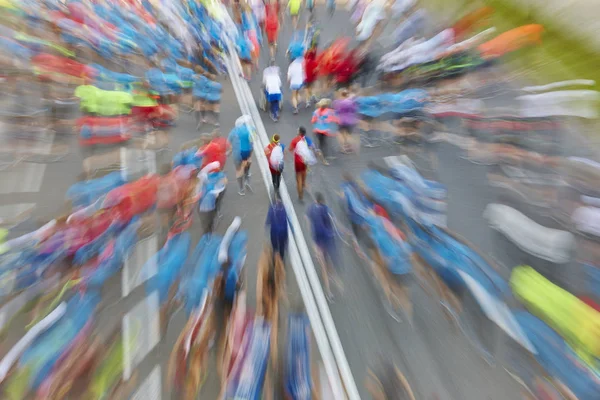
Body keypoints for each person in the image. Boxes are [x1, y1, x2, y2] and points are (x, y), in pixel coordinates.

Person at [306, 192, 340, 300]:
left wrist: (311, 230)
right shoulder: (326, 209)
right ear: (323, 201)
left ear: (316, 200)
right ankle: (331, 279)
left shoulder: (311, 208)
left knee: (323, 266)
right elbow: (333, 221)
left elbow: (306, 219)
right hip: (327, 240)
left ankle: (328, 292)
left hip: (318, 241)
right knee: (327, 263)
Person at [228, 117, 254, 195]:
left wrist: (230, 150)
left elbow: (228, 142)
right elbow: (252, 144)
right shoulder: (251, 130)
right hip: (247, 151)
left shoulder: (233, 131)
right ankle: (246, 178)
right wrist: (250, 155)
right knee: (247, 162)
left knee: (238, 170)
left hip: (237, 154)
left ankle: (241, 189)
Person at [289, 126, 315, 202]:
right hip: (305, 160)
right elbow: (311, 147)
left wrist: (294, 152)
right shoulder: (306, 139)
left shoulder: (295, 140)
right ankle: (304, 183)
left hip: (298, 161)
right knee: (304, 172)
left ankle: (300, 195)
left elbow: (290, 149)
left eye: (298, 130)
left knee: (298, 178)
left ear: (300, 132)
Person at [311, 99, 338, 165]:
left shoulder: (316, 111)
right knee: (324, 143)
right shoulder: (329, 112)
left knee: (321, 142)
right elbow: (335, 119)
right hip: (325, 130)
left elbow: (313, 121)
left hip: (317, 130)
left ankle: (319, 153)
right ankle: (323, 155)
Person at [333, 89, 359, 154]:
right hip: (351, 120)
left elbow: (337, 111)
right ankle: (351, 147)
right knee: (348, 134)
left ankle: (344, 148)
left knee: (340, 134)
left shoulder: (337, 102)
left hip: (342, 120)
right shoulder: (351, 101)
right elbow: (355, 110)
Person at [266, 192, 288, 260]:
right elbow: (286, 220)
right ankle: (281, 260)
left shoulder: (272, 208)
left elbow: (268, 220)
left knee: (275, 246)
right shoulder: (284, 208)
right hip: (283, 231)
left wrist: (266, 225)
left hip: (274, 231)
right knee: (282, 246)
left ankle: (275, 260)